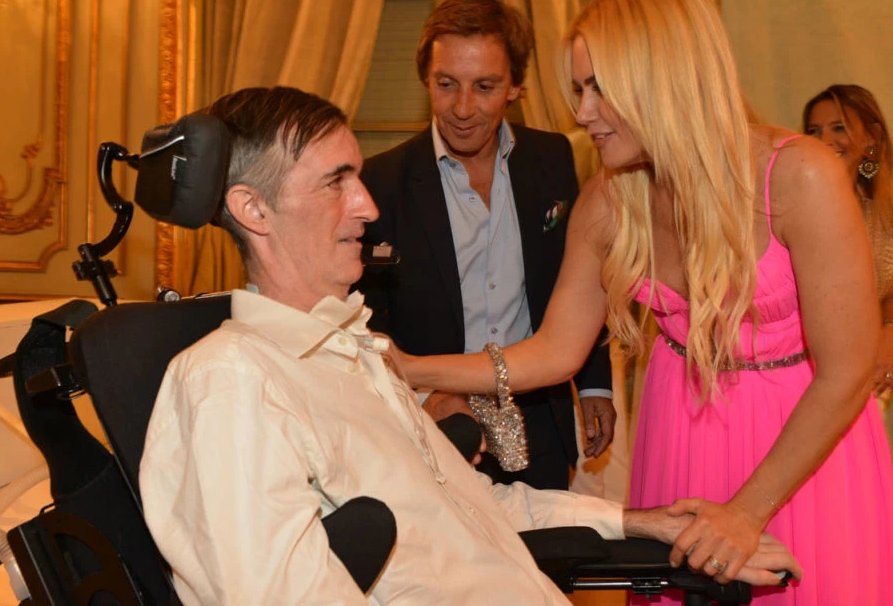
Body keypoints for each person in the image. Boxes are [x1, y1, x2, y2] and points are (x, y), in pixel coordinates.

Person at [138, 86, 800, 604]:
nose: (368, 205)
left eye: (358, 177)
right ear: (252, 209)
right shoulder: (231, 381)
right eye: (335, 181)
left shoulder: (355, 354)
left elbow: (476, 504)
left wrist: (638, 521)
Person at [398, 0, 893, 604]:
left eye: (599, 88)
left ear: (663, 78)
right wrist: (411, 368)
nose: (582, 112)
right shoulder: (609, 199)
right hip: (682, 431)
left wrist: (747, 512)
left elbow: (848, 369)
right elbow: (555, 350)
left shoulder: (800, 176)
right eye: (579, 89)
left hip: (803, 450)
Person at [357, 0, 616, 491]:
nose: (462, 107)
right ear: (425, 80)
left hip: (539, 416)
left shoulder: (553, 158)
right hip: (433, 424)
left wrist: (593, 384)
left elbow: (582, 276)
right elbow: (365, 317)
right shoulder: (380, 181)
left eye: (484, 86)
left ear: (516, 86)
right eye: (446, 84)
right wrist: (426, 395)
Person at [803, 85, 893, 408]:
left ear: (872, 137)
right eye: (814, 131)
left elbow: (890, 295)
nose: (824, 140)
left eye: (839, 128)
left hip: (865, 375)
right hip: (797, 374)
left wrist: (892, 336)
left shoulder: (884, 215)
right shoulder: (789, 208)